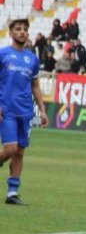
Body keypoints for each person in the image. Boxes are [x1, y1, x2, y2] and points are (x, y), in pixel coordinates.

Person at [0, 19, 47, 205]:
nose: (22, 32)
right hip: (7, 110)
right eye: (18, 29)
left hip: (26, 112)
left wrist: (42, 111)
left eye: (25, 29)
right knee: (10, 149)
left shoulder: (32, 59)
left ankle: (12, 193)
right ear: (11, 32)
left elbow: (35, 85)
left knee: (19, 152)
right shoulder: (3, 54)